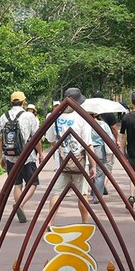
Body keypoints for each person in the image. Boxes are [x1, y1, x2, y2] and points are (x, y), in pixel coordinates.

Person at [44, 88, 96, 223]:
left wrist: (62, 149)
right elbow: (88, 144)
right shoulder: (82, 117)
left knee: (57, 193)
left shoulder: (53, 116)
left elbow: (50, 139)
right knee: (82, 194)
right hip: (80, 161)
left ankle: (50, 223)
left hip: (62, 161)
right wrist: (94, 165)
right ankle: (85, 224)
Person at [0, 91, 43, 223]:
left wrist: (2, 156)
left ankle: (19, 207)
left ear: (11, 102)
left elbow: (1, 139)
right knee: (33, 182)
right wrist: (40, 153)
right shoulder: (29, 116)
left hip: (10, 156)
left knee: (17, 184)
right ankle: (20, 205)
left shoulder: (3, 117)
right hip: (26, 156)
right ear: (24, 102)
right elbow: (36, 138)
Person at [91, 90, 120, 195]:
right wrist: (116, 140)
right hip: (104, 146)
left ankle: (97, 188)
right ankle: (100, 187)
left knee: (93, 168)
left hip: (90, 145)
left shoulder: (88, 113)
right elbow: (114, 128)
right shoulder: (108, 112)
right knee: (106, 167)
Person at [87, 111, 114, 205]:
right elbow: (110, 138)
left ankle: (93, 193)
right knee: (99, 173)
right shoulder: (103, 125)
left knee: (92, 170)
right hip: (99, 149)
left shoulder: (86, 124)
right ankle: (97, 196)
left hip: (88, 149)